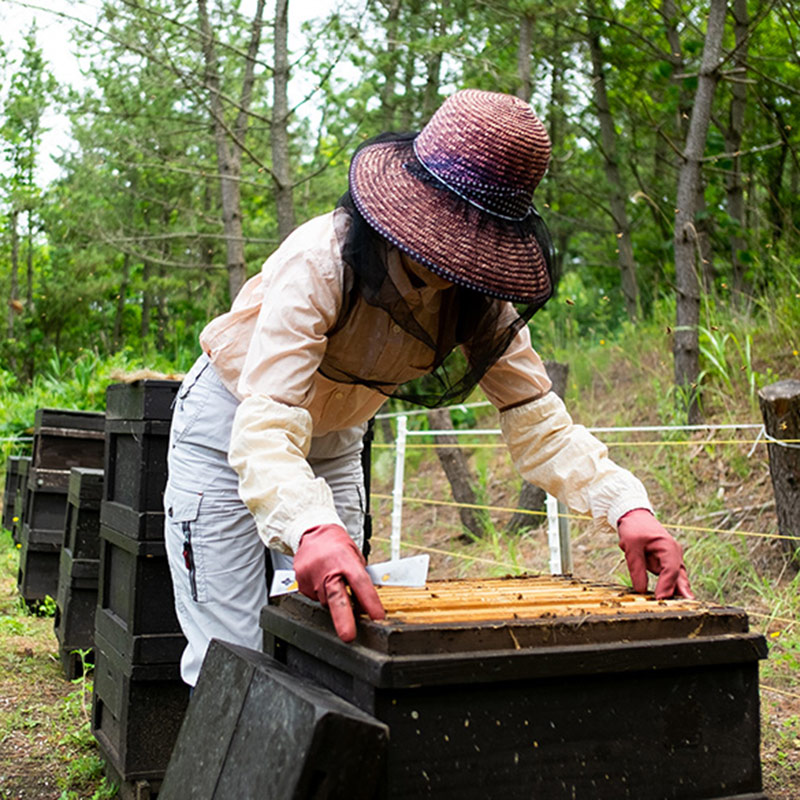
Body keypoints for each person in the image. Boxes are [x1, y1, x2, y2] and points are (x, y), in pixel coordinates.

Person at [164, 88, 693, 687]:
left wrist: (626, 507)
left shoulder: (476, 298)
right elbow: (265, 424)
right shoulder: (319, 260)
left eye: (477, 241)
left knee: (332, 632)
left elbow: (540, 424)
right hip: (230, 427)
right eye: (451, 233)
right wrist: (311, 528)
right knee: (230, 653)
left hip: (335, 443)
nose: (456, 261)